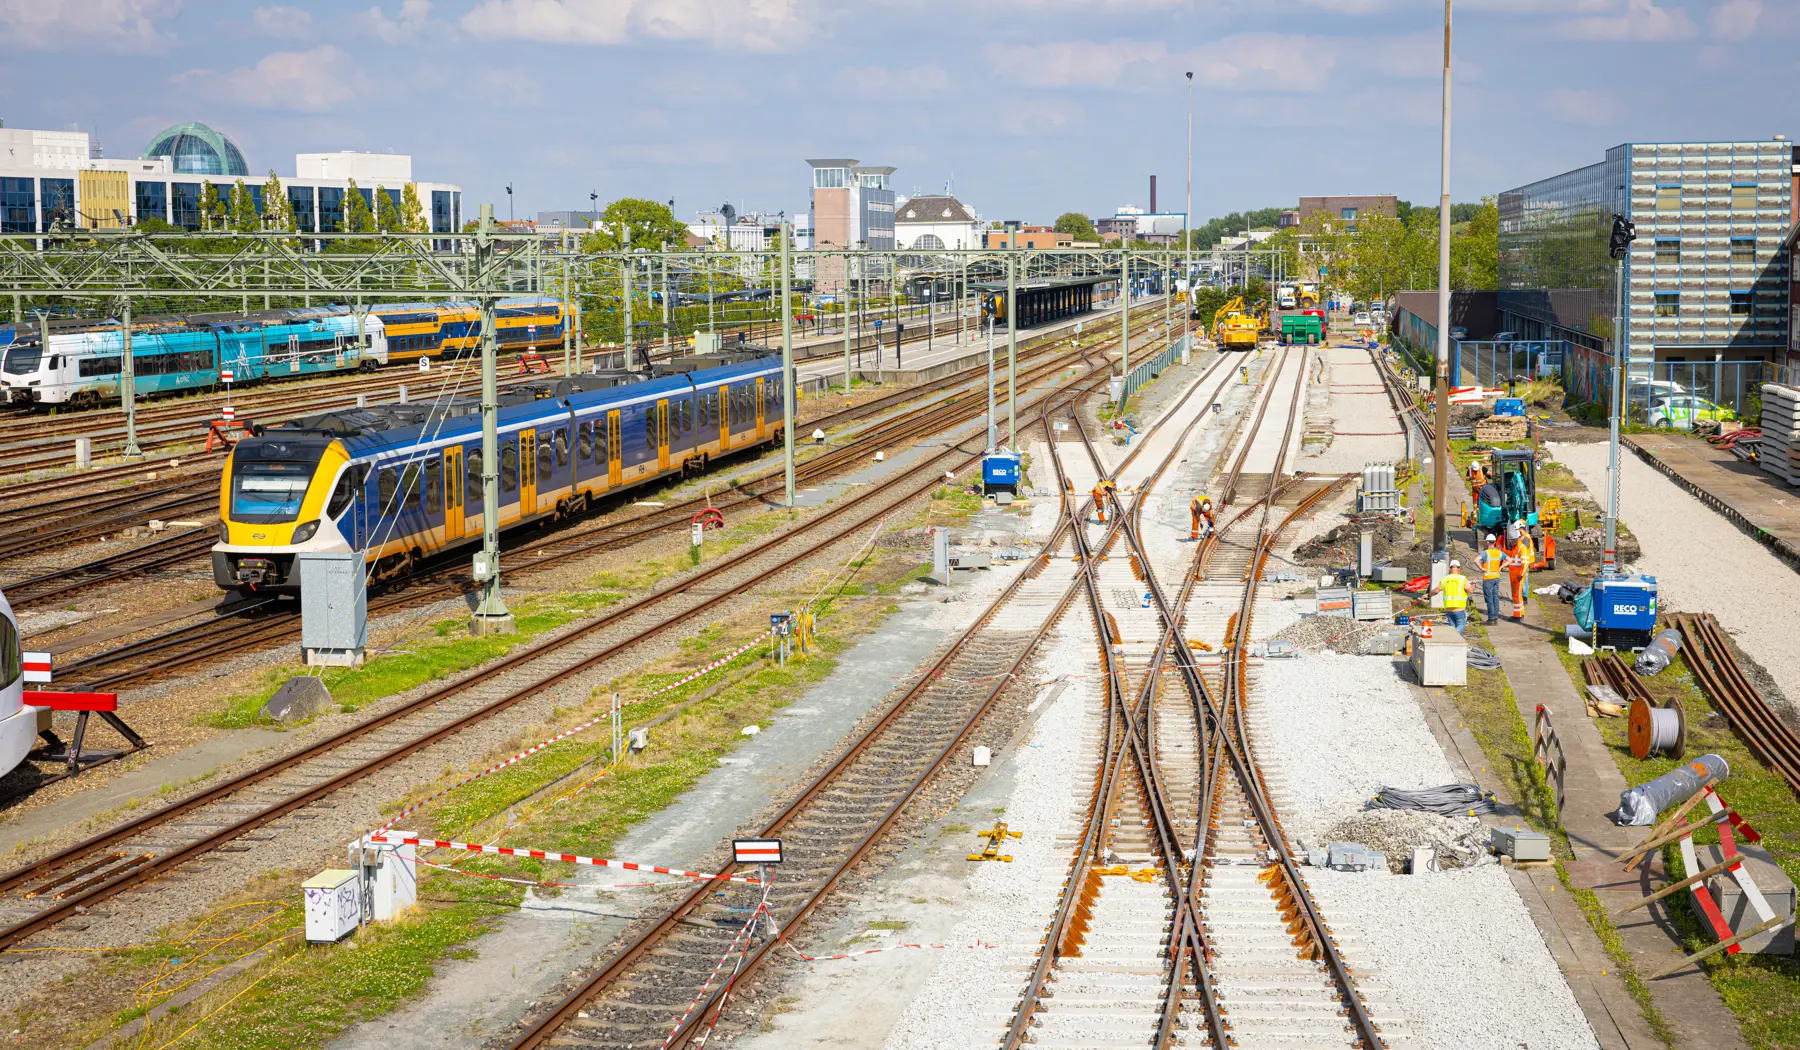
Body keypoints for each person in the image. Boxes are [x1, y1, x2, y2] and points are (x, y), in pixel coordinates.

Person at [1429, 559, 1471, 632]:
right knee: (1461, 625)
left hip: (1448, 608)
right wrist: (1473, 584)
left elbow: (1436, 590)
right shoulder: (1462, 578)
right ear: (1459, 568)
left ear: (1450, 569)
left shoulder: (1444, 579)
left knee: (1452, 627)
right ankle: (1453, 637)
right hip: (1459, 608)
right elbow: (1470, 591)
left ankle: (1453, 639)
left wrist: (1428, 595)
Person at [1505, 522, 1532, 622]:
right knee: (1516, 595)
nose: (1511, 542)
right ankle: (1519, 613)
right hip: (1514, 575)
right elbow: (1511, 555)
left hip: (1518, 576)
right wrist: (1502, 550)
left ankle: (1518, 615)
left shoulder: (1522, 548)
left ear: (1517, 539)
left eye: (1512, 540)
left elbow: (1525, 563)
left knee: (1517, 596)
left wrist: (1521, 575)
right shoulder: (1516, 548)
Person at [1478, 533, 1506, 625]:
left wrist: (1481, 568)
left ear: (1487, 542)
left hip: (1488, 578)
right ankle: (1495, 618)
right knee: (1495, 598)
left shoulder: (1485, 553)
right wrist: (1501, 566)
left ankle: (1491, 619)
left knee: (1489, 599)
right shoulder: (1499, 552)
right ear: (1494, 542)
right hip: (1496, 578)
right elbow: (1509, 560)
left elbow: (1476, 560)